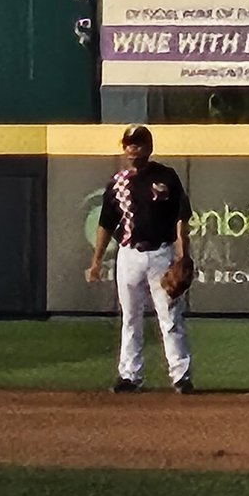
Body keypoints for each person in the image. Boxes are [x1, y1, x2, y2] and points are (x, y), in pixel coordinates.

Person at [85, 123, 194, 394]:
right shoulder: (118, 182)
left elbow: (181, 217)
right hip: (129, 254)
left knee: (169, 317)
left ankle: (181, 376)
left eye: (139, 144)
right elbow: (106, 223)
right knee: (130, 317)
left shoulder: (166, 177)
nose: (134, 149)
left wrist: (183, 254)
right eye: (130, 145)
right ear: (125, 149)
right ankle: (130, 376)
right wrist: (96, 261)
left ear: (149, 147)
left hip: (161, 253)